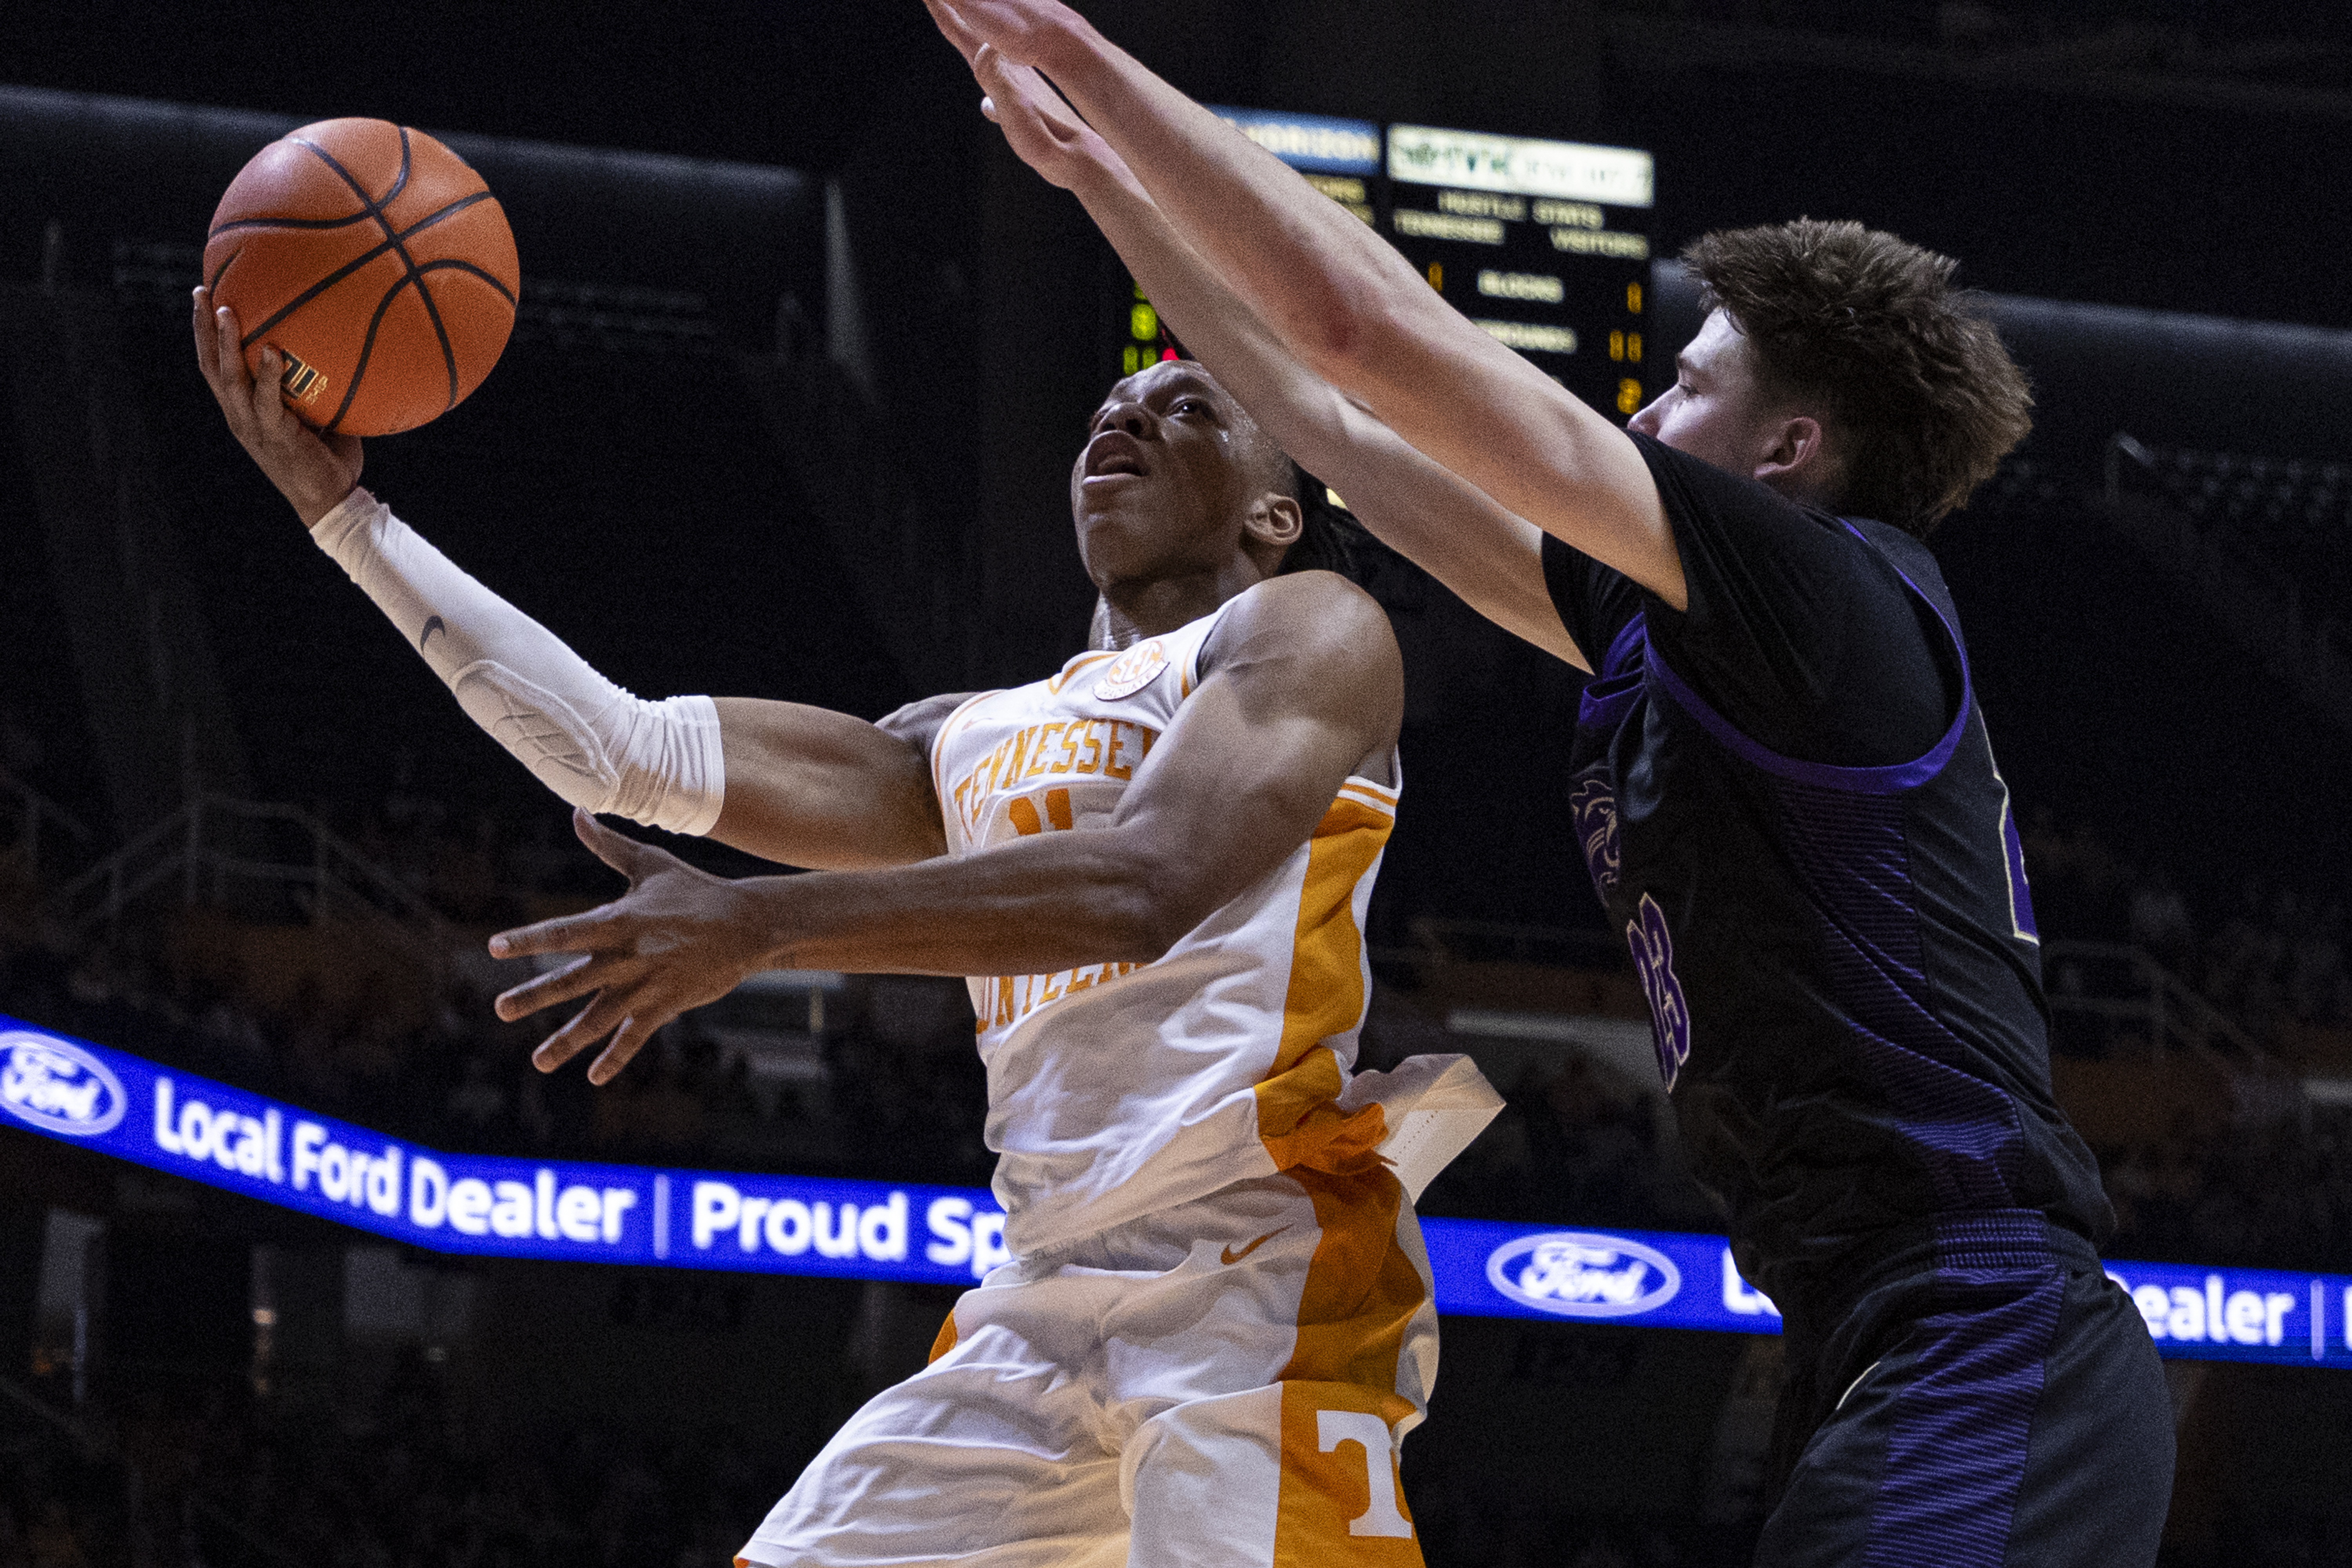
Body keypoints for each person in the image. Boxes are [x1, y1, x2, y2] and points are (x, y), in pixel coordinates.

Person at [921, 4, 2175, 1561]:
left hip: (1987, 1329)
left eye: (1692, 382)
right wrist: (1099, 176)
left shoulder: (1827, 594)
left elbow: (1362, 335)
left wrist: (1085, 57)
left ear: (1787, 451)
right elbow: (1329, 426)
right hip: (1889, 1336)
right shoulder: (1695, 645)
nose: (1644, 410)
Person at [193, 284, 1501, 1566]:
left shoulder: (1313, 628)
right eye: (1115, 401)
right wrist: (343, 514)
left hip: (1256, 1274)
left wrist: (762, 927)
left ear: (1279, 510)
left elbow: (1143, 885)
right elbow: (617, 747)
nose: (1130, 412)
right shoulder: (964, 739)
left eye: (1190, 410)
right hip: (1039, 1297)